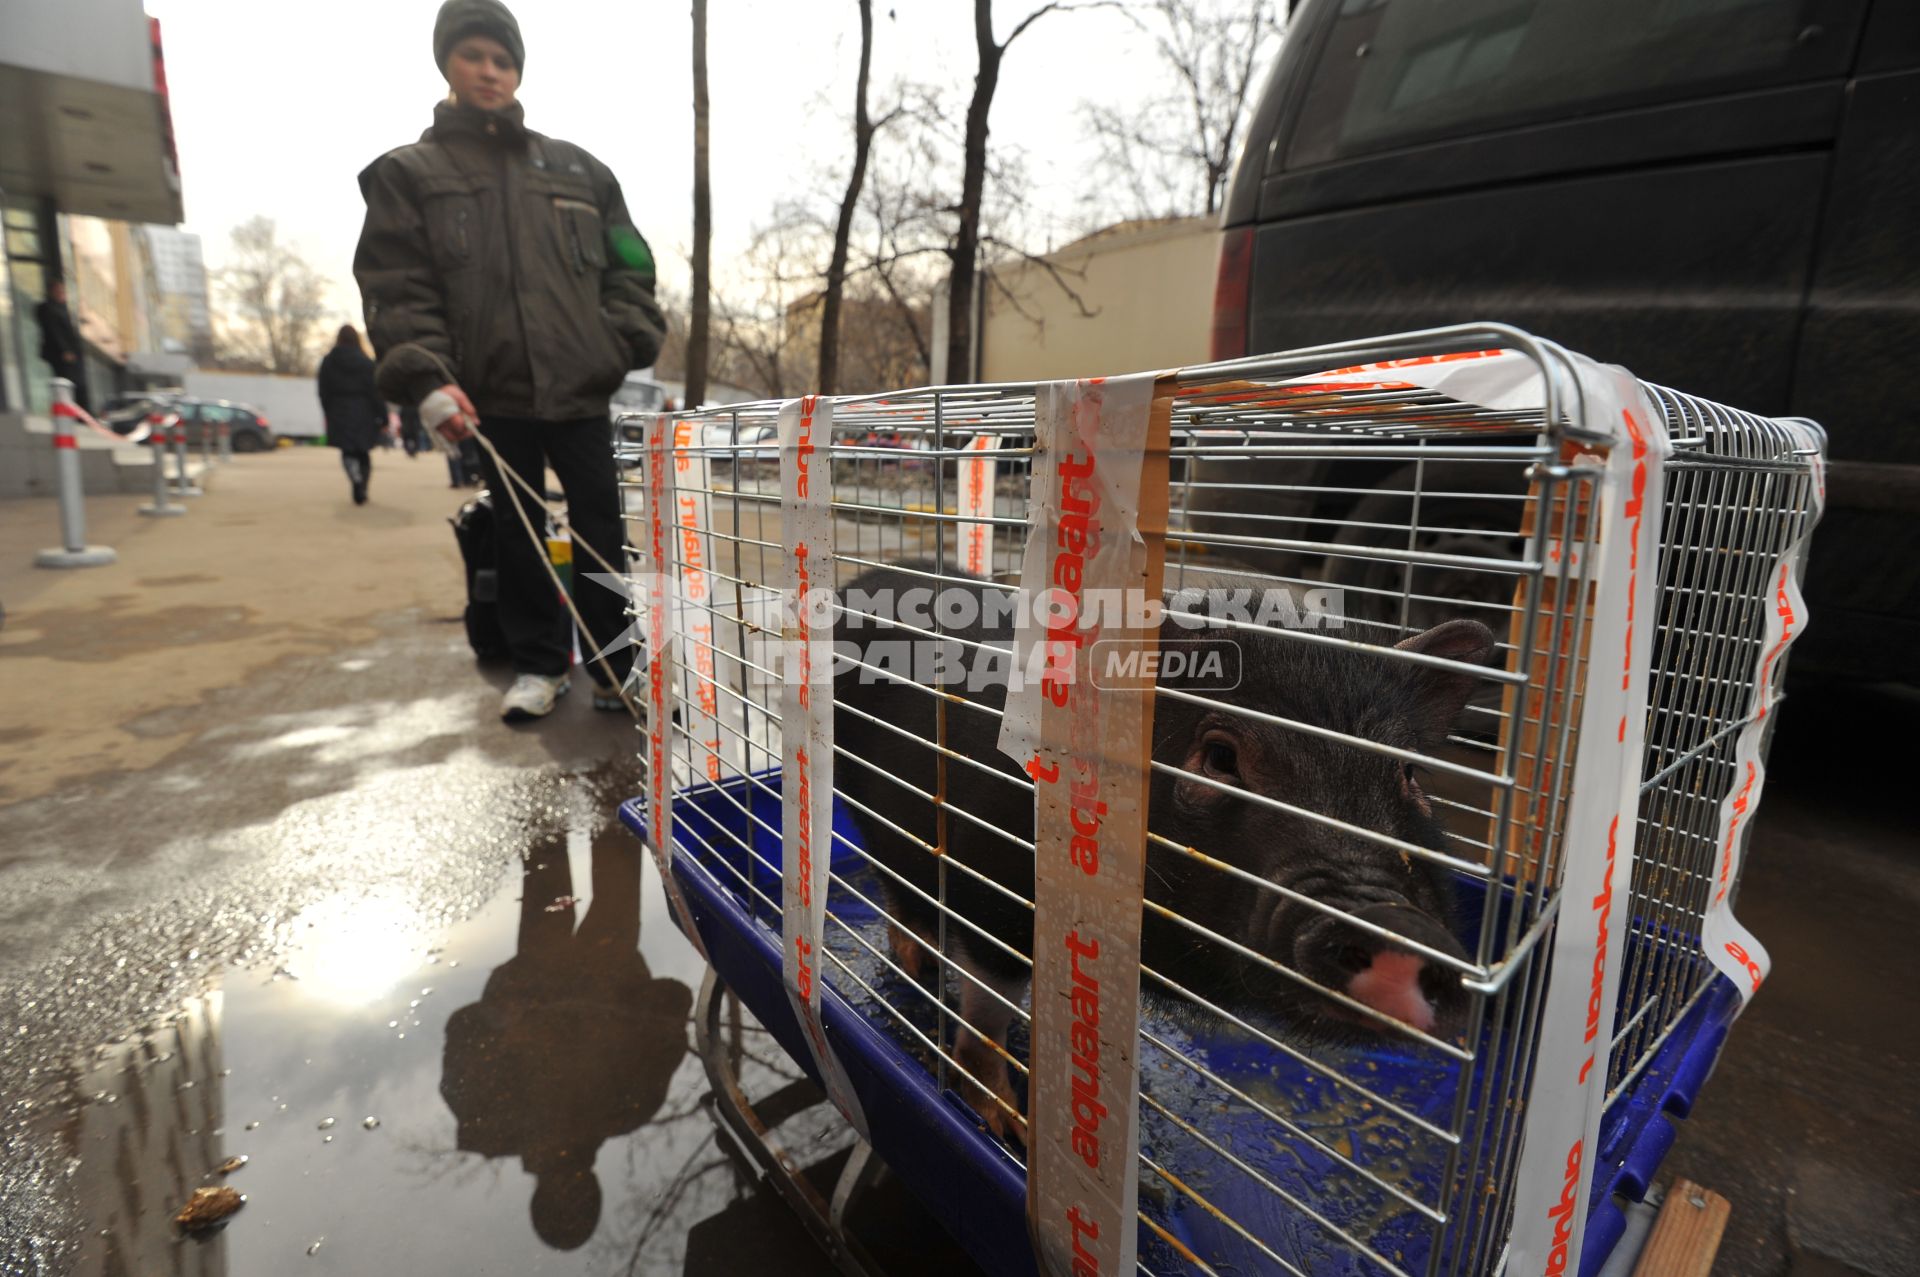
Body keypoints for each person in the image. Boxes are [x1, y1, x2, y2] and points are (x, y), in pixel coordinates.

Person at [353, 0, 664, 722]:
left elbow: (630, 266)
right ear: (448, 65)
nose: (490, 72)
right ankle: (539, 663)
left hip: (581, 389)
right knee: (521, 531)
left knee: (600, 529)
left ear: (519, 70)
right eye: (474, 56)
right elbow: (397, 286)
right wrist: (427, 378)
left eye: (503, 59)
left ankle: (619, 666)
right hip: (490, 394)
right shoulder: (411, 173)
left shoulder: (580, 170)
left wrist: (619, 344)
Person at [439, 831, 691, 1251]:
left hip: (542, 969)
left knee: (546, 850)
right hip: (606, 962)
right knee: (610, 841)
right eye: (579, 1201)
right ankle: (604, 786)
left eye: (562, 1202)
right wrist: (626, 1006)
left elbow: (462, 1028)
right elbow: (675, 1001)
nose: (569, 1190)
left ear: (543, 1199)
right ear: (592, 1191)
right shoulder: (630, 1107)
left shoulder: (487, 1123)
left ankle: (550, 790)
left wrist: (504, 1017)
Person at [317, 325, 386, 505]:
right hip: (364, 410)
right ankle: (362, 484)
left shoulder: (328, 361)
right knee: (363, 451)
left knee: (347, 450)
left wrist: (328, 411)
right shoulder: (366, 362)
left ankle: (354, 477)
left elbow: (323, 390)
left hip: (339, 410)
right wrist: (382, 416)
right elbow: (376, 392)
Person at [35, 280, 89, 414]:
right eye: (59, 291)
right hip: (62, 355)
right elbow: (53, 331)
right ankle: (70, 411)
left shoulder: (62, 308)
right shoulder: (47, 308)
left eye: (63, 291)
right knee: (67, 382)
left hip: (71, 353)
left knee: (78, 383)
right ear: (52, 292)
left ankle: (79, 411)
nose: (62, 294)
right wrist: (65, 350)